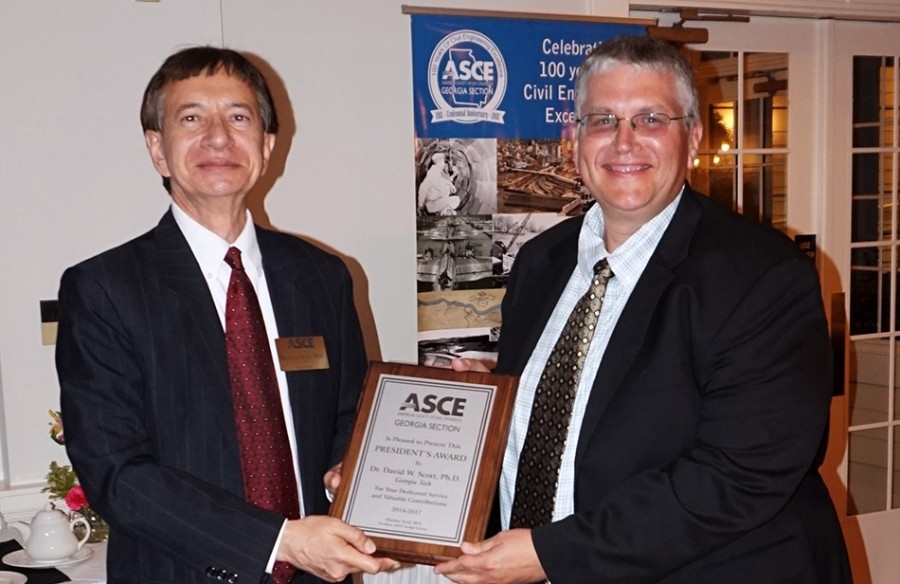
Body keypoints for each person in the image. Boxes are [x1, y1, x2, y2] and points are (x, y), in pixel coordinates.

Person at [434, 35, 851, 583]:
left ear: (693, 138)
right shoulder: (540, 261)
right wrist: (492, 395)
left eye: (651, 119)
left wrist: (552, 554)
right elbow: (593, 401)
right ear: (573, 138)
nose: (624, 142)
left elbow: (737, 475)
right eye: (602, 120)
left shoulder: (761, 277)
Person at [55, 46, 398, 584]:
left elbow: (350, 413)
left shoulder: (322, 276)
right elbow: (116, 473)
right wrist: (280, 541)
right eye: (191, 118)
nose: (218, 136)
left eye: (239, 117)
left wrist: (346, 474)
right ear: (158, 150)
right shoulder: (104, 290)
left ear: (265, 146)